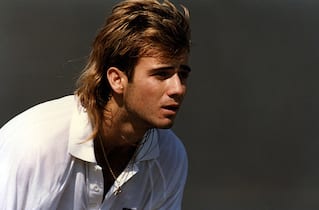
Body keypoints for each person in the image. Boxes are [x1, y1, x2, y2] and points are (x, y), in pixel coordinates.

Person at [0, 0, 191, 209]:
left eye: (182, 74)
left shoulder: (170, 156)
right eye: (161, 74)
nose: (178, 88)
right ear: (117, 79)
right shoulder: (35, 144)